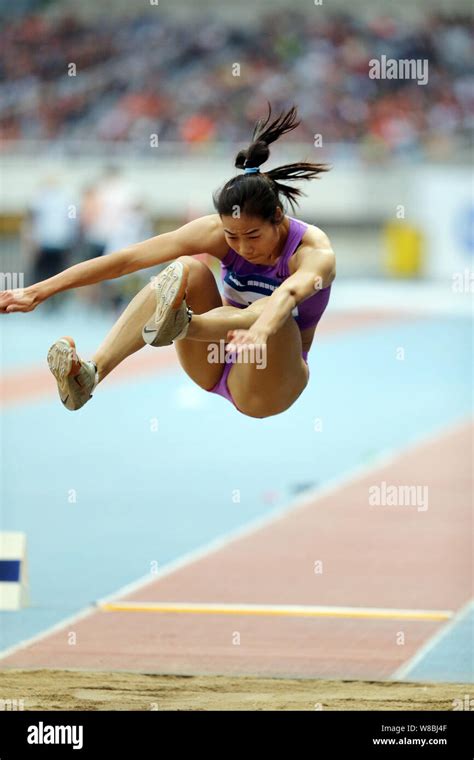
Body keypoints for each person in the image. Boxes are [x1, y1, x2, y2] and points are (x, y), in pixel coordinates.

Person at [0, 104, 336, 419]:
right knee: (186, 269)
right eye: (232, 236)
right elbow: (125, 260)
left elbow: (288, 296)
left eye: (253, 236)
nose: (242, 247)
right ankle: (91, 374)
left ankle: (183, 324)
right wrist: (39, 291)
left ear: (277, 217)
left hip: (269, 380)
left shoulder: (312, 252)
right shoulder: (216, 231)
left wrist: (259, 330)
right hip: (213, 361)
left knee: (277, 314)